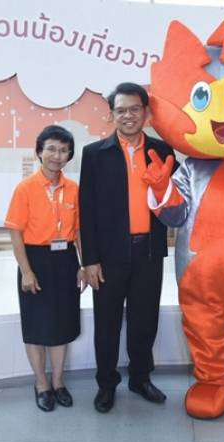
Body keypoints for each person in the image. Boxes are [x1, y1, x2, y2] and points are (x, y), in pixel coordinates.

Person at [79, 82, 176, 413]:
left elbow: (176, 197)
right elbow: (87, 210)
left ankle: (140, 378)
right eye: (121, 110)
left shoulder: (162, 151)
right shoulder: (95, 154)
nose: (128, 116)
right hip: (108, 256)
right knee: (106, 322)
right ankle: (106, 384)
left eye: (134, 109)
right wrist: (90, 260)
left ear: (145, 112)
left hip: (149, 251)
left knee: (144, 320)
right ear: (112, 114)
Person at [5, 125, 87, 412]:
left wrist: (82, 265)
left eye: (63, 150)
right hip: (35, 261)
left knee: (62, 325)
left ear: (69, 156)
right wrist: (26, 271)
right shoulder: (25, 188)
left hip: (66, 261)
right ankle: (41, 384)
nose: (57, 155)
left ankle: (59, 382)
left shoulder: (74, 189)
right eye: (51, 148)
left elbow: (79, 231)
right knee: (37, 327)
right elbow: (16, 233)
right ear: (39, 152)